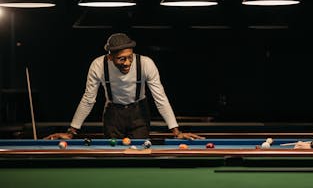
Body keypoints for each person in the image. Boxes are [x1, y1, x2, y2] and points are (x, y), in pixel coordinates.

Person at [45, 33, 203, 140]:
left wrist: (176, 132)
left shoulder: (146, 64)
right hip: (112, 114)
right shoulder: (98, 65)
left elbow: (160, 98)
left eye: (130, 57)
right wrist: (71, 133)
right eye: (121, 59)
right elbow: (88, 99)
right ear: (110, 57)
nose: (127, 63)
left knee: (139, 155)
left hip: (139, 113)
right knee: (112, 157)